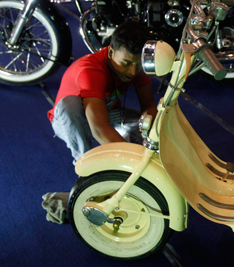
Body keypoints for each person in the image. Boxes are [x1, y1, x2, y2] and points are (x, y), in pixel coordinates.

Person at [42, 20, 157, 223]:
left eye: (137, 64)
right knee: (71, 107)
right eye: (126, 64)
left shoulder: (135, 66)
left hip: (106, 112)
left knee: (152, 133)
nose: (132, 72)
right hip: (71, 118)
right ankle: (86, 179)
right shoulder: (91, 70)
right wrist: (135, 163)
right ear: (111, 52)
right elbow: (99, 129)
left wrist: (153, 137)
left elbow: (149, 107)